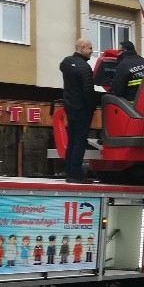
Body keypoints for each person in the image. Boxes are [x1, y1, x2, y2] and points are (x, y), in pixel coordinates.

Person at [60, 38, 98, 183]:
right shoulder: (85, 68)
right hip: (82, 109)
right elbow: (88, 91)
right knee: (80, 141)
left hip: (69, 107)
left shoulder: (66, 63)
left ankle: (69, 171)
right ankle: (76, 174)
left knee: (72, 140)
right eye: (89, 48)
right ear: (82, 48)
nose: (91, 51)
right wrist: (92, 106)